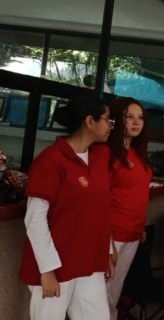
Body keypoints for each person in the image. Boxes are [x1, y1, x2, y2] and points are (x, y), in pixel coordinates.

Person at [19, 92, 116, 320]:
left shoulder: (100, 158)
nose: (111, 126)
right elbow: (35, 219)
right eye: (108, 120)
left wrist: (108, 250)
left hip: (88, 260)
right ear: (90, 121)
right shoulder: (51, 161)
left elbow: (100, 209)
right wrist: (47, 270)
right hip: (55, 265)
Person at [104, 97, 153, 320]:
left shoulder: (138, 154)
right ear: (116, 120)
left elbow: (138, 193)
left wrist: (140, 227)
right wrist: (107, 241)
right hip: (112, 236)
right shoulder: (107, 153)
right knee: (101, 294)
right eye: (129, 117)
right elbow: (99, 200)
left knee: (114, 293)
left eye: (140, 117)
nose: (136, 122)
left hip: (133, 234)